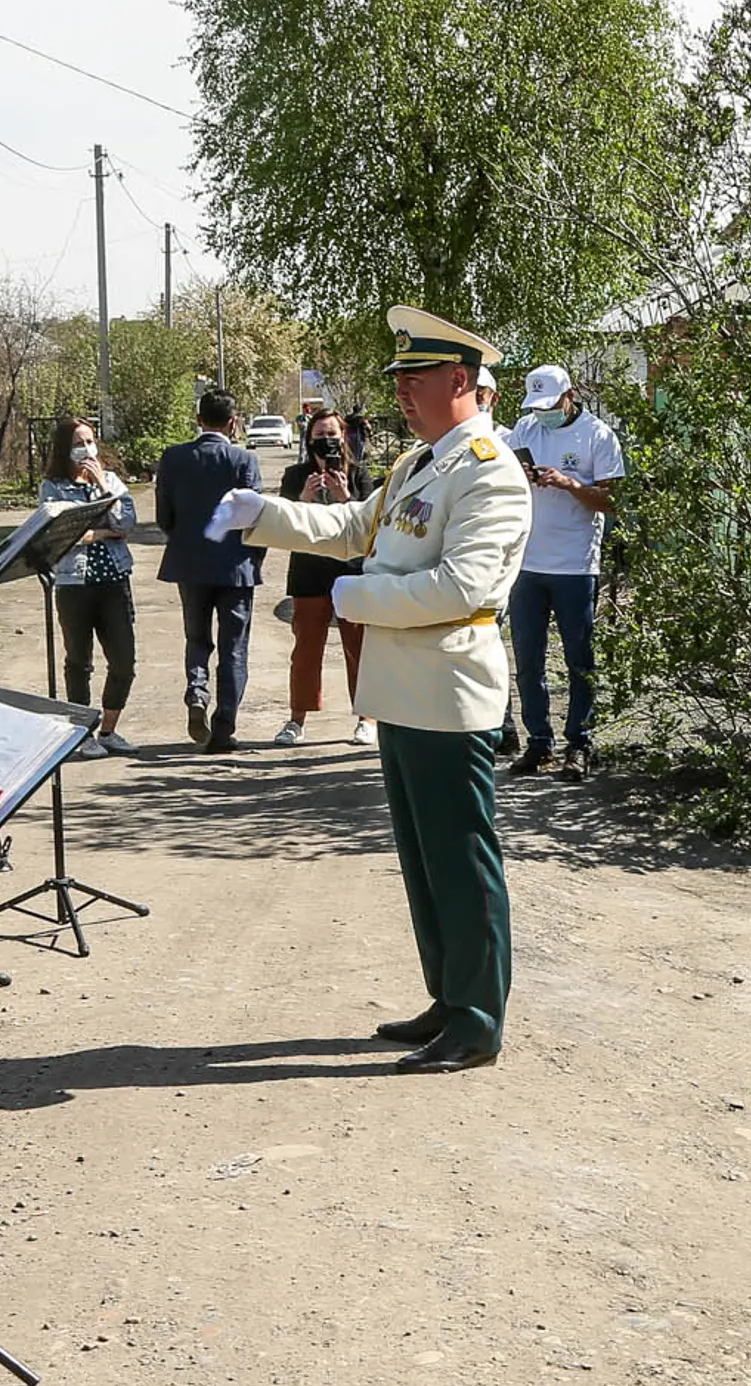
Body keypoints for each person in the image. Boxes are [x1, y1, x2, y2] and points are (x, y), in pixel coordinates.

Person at [207, 306, 529, 1070]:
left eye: (415, 379)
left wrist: (358, 600)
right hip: (406, 691)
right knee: (424, 861)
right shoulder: (418, 464)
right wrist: (267, 514)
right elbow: (356, 528)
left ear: (461, 380)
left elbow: (463, 585)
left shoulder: (488, 470)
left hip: (449, 691)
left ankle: (478, 1021)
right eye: (399, 381)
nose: (402, 393)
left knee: (461, 859)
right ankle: (449, 998)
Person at [501, 364, 623, 779]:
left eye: (548, 405)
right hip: (527, 564)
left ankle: (580, 743)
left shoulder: (598, 435)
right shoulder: (524, 428)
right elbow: (503, 480)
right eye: (535, 406)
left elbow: (610, 501)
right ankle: (539, 743)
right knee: (528, 661)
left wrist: (569, 484)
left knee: (578, 659)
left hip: (575, 565)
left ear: (569, 395)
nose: (542, 413)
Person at [151, 387, 262, 754]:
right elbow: (255, 519)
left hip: (190, 564)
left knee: (197, 638)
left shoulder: (173, 458)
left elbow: (164, 517)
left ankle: (196, 692)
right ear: (233, 423)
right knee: (234, 648)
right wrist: (253, 560)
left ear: (199, 420)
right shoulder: (243, 461)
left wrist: (185, 542)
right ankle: (223, 726)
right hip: (235, 567)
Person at [38, 415, 140, 756]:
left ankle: (109, 729)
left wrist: (104, 489)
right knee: (79, 660)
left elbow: (126, 522)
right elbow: (66, 533)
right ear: (65, 450)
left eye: (90, 441)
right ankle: (83, 735)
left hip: (113, 579)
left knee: (124, 660)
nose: (87, 448)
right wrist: (104, 530)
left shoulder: (109, 480)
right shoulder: (53, 486)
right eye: (79, 443)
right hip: (74, 583)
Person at [273, 418, 367, 749]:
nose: (326, 441)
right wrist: (303, 499)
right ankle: (297, 719)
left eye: (331, 434)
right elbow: (283, 521)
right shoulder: (295, 476)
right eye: (319, 435)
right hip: (309, 572)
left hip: (351, 572)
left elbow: (369, 526)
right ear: (308, 438)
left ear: (343, 437)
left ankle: (366, 718)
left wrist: (345, 497)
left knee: (359, 649)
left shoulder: (358, 475)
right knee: (306, 651)